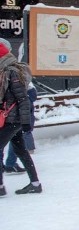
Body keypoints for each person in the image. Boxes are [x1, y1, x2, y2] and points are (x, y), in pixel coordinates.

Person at [0, 39, 41, 196]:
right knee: (21, 151)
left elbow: (23, 98)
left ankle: (1, 188)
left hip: (12, 120)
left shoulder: (11, 72)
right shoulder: (6, 71)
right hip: (11, 118)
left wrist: (25, 123)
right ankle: (35, 183)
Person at [3, 80, 37, 173]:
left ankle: (9, 164)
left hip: (10, 117)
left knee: (14, 140)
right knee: (17, 140)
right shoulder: (19, 80)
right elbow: (29, 98)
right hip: (15, 118)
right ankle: (10, 164)